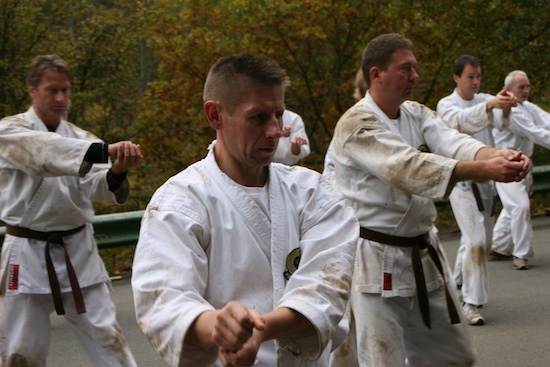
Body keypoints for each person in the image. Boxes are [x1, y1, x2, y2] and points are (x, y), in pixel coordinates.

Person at [131, 52, 359, 367]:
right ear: (215, 116)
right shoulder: (179, 201)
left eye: (279, 115)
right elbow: (162, 298)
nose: (275, 130)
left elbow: (328, 288)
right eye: (258, 117)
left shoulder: (315, 194)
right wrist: (216, 326)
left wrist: (258, 329)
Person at [328, 34, 531, 367]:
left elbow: (454, 142)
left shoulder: (416, 113)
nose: (415, 76)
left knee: (453, 357)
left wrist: (501, 155)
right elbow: (407, 166)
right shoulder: (356, 124)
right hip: (377, 263)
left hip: (423, 254)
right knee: (382, 361)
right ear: (376, 74)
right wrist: (484, 168)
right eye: (406, 68)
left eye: (415, 68)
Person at [0, 55, 141, 366]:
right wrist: (105, 151)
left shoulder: (81, 139)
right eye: (52, 90)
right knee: (21, 351)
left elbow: (98, 184)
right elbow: (44, 152)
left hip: (77, 250)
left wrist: (117, 171)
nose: (61, 98)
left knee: (109, 340)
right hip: (27, 252)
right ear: (32, 90)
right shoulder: (9, 131)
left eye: (65, 90)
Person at [436, 54, 516, 325]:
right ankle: (471, 303)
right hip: (461, 180)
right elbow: (459, 123)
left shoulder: (485, 99)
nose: (476, 81)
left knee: (478, 238)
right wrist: (492, 104)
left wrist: (504, 108)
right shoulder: (446, 104)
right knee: (477, 240)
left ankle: (455, 282)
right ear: (456, 77)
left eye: (478, 76)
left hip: (487, 180)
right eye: (470, 76)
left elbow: (502, 127)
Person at [491, 70, 550, 270]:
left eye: (527, 86)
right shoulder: (511, 112)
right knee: (520, 206)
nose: (526, 90)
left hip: (523, 163)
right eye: (521, 87)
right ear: (508, 90)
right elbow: (537, 134)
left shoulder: (527, 107)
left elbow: (546, 121)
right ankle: (521, 255)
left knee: (512, 207)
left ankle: (498, 246)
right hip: (505, 163)